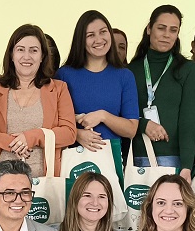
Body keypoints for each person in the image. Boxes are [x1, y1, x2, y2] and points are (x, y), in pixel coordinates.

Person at [0, 24, 77, 205]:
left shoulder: (59, 89)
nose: (26, 56)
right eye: (20, 50)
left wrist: (32, 137)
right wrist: (11, 142)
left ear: (43, 55)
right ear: (11, 55)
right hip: (1, 188)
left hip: (43, 185)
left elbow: (69, 133)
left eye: (33, 50)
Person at [129, 5, 195, 178]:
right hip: (135, 158)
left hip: (173, 159)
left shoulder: (188, 69)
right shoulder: (130, 70)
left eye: (173, 30)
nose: (167, 35)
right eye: (161, 28)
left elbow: (188, 121)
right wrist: (144, 124)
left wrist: (186, 166)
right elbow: (122, 116)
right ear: (149, 29)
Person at [56, 10, 139, 155]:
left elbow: (131, 129)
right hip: (73, 160)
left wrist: (103, 116)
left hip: (110, 162)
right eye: (90, 35)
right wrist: (76, 134)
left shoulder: (125, 76)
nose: (99, 39)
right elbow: (52, 123)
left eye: (103, 32)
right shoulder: (64, 75)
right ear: (81, 40)